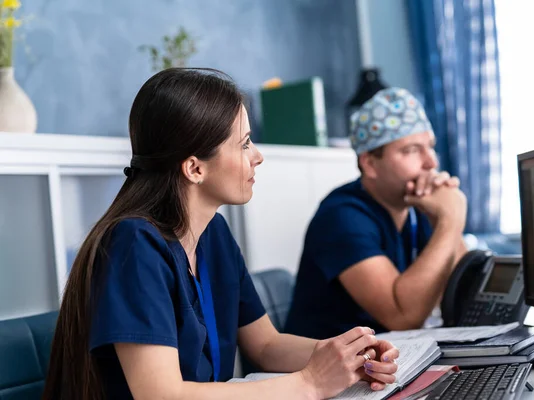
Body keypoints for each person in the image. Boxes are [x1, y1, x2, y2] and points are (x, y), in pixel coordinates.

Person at [42, 69, 400, 400]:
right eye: (244, 144)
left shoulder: (213, 233)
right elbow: (161, 395)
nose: (257, 156)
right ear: (195, 168)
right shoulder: (134, 246)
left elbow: (266, 345)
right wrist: (309, 383)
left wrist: (348, 356)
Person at [285, 87, 468, 340]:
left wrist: (442, 219)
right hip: (328, 372)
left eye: (430, 147)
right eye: (411, 150)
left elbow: (466, 296)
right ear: (369, 163)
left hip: (387, 359)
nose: (431, 163)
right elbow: (402, 317)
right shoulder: (341, 216)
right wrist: (451, 219)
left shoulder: (420, 208)